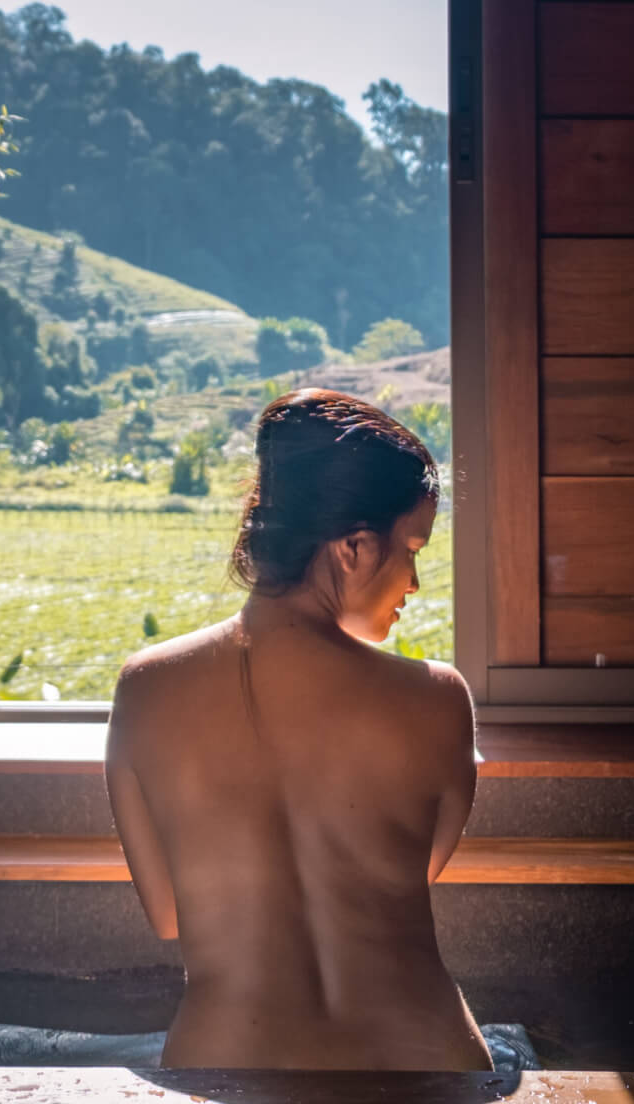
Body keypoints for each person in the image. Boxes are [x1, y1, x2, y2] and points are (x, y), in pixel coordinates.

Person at [105, 388, 490, 1072]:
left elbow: (170, 917)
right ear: (352, 548)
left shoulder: (146, 689)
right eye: (411, 548)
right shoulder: (438, 701)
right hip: (425, 1071)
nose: (415, 582)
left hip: (227, 1070)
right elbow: (403, 881)